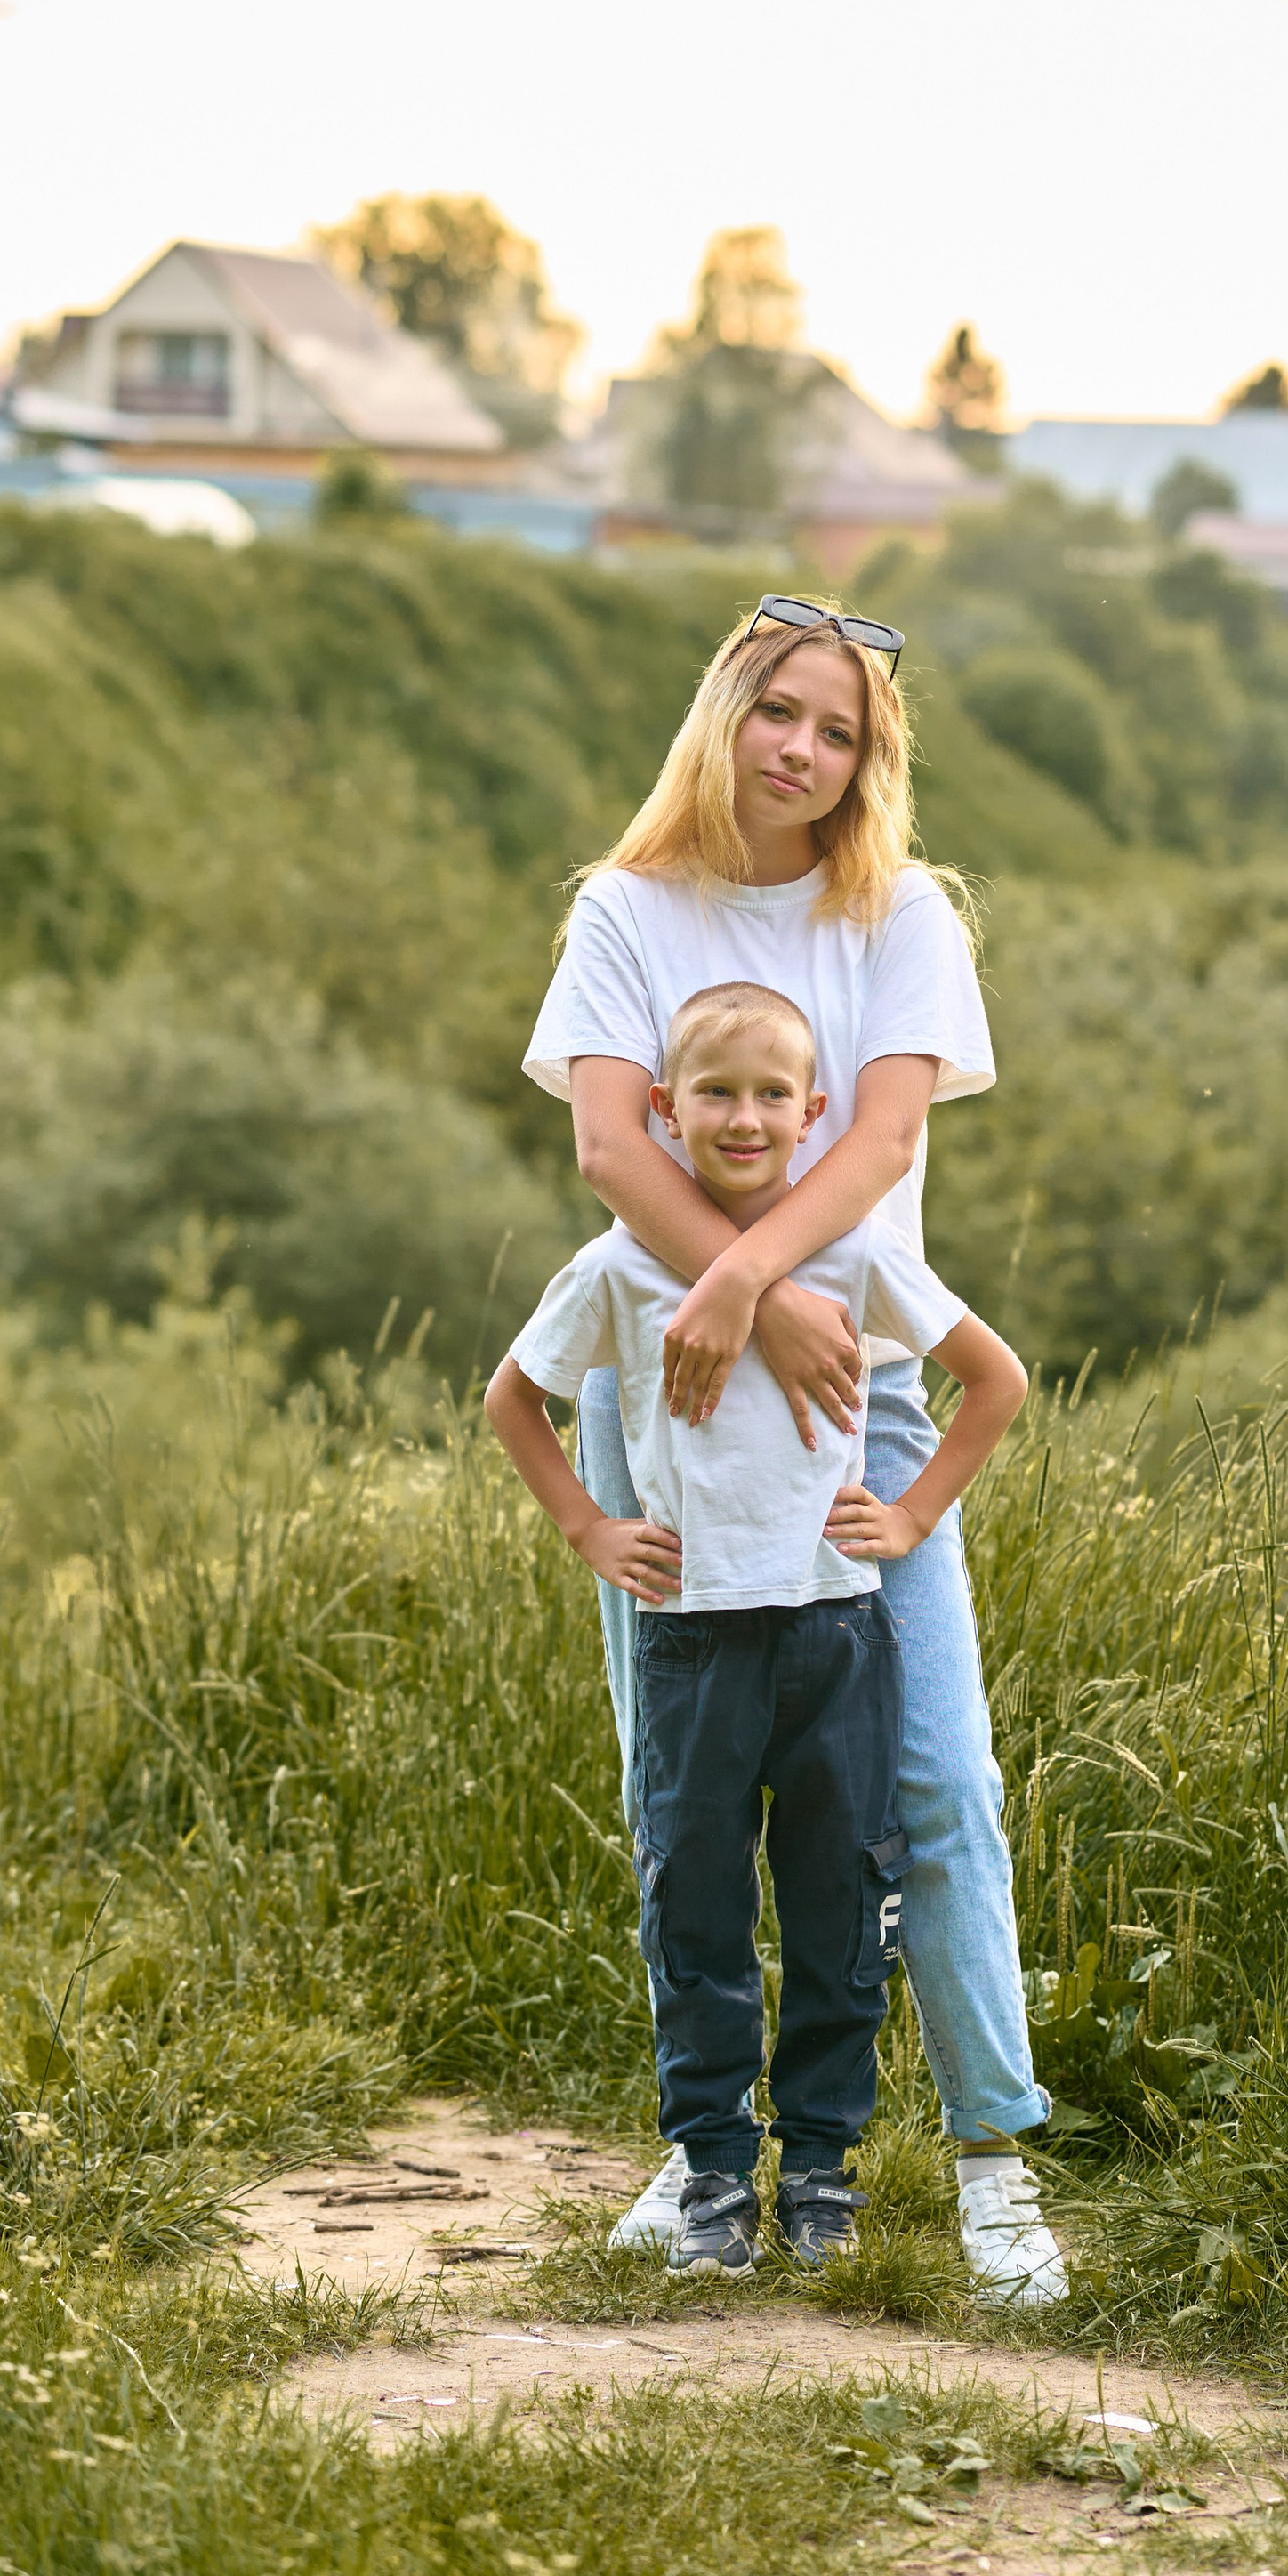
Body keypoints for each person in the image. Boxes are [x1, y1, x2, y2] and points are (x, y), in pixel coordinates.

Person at [522, 593, 1068, 2305]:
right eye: (779, 711)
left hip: (858, 1397)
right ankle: (701, 2163)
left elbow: (882, 1137)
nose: (801, 751)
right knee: (677, 1798)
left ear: (865, 760)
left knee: (936, 1781)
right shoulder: (626, 909)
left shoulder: (900, 914)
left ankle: (993, 2170)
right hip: (667, 1402)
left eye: (838, 731)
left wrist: (758, 1279)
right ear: (725, 710)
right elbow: (617, 1150)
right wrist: (746, 1299)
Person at [487, 980, 1027, 2273]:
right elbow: (514, 1400)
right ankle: (716, 2174)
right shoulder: (618, 1267)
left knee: (843, 1906)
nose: (744, 1117)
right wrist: (586, 1527)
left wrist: (907, 1519)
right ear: (664, 1109)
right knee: (701, 1906)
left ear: (814, 1109)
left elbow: (996, 1381)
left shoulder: (854, 1255)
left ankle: (823, 2177)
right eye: (715, 1095)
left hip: (835, 1638)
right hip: (694, 1642)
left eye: (771, 1095)